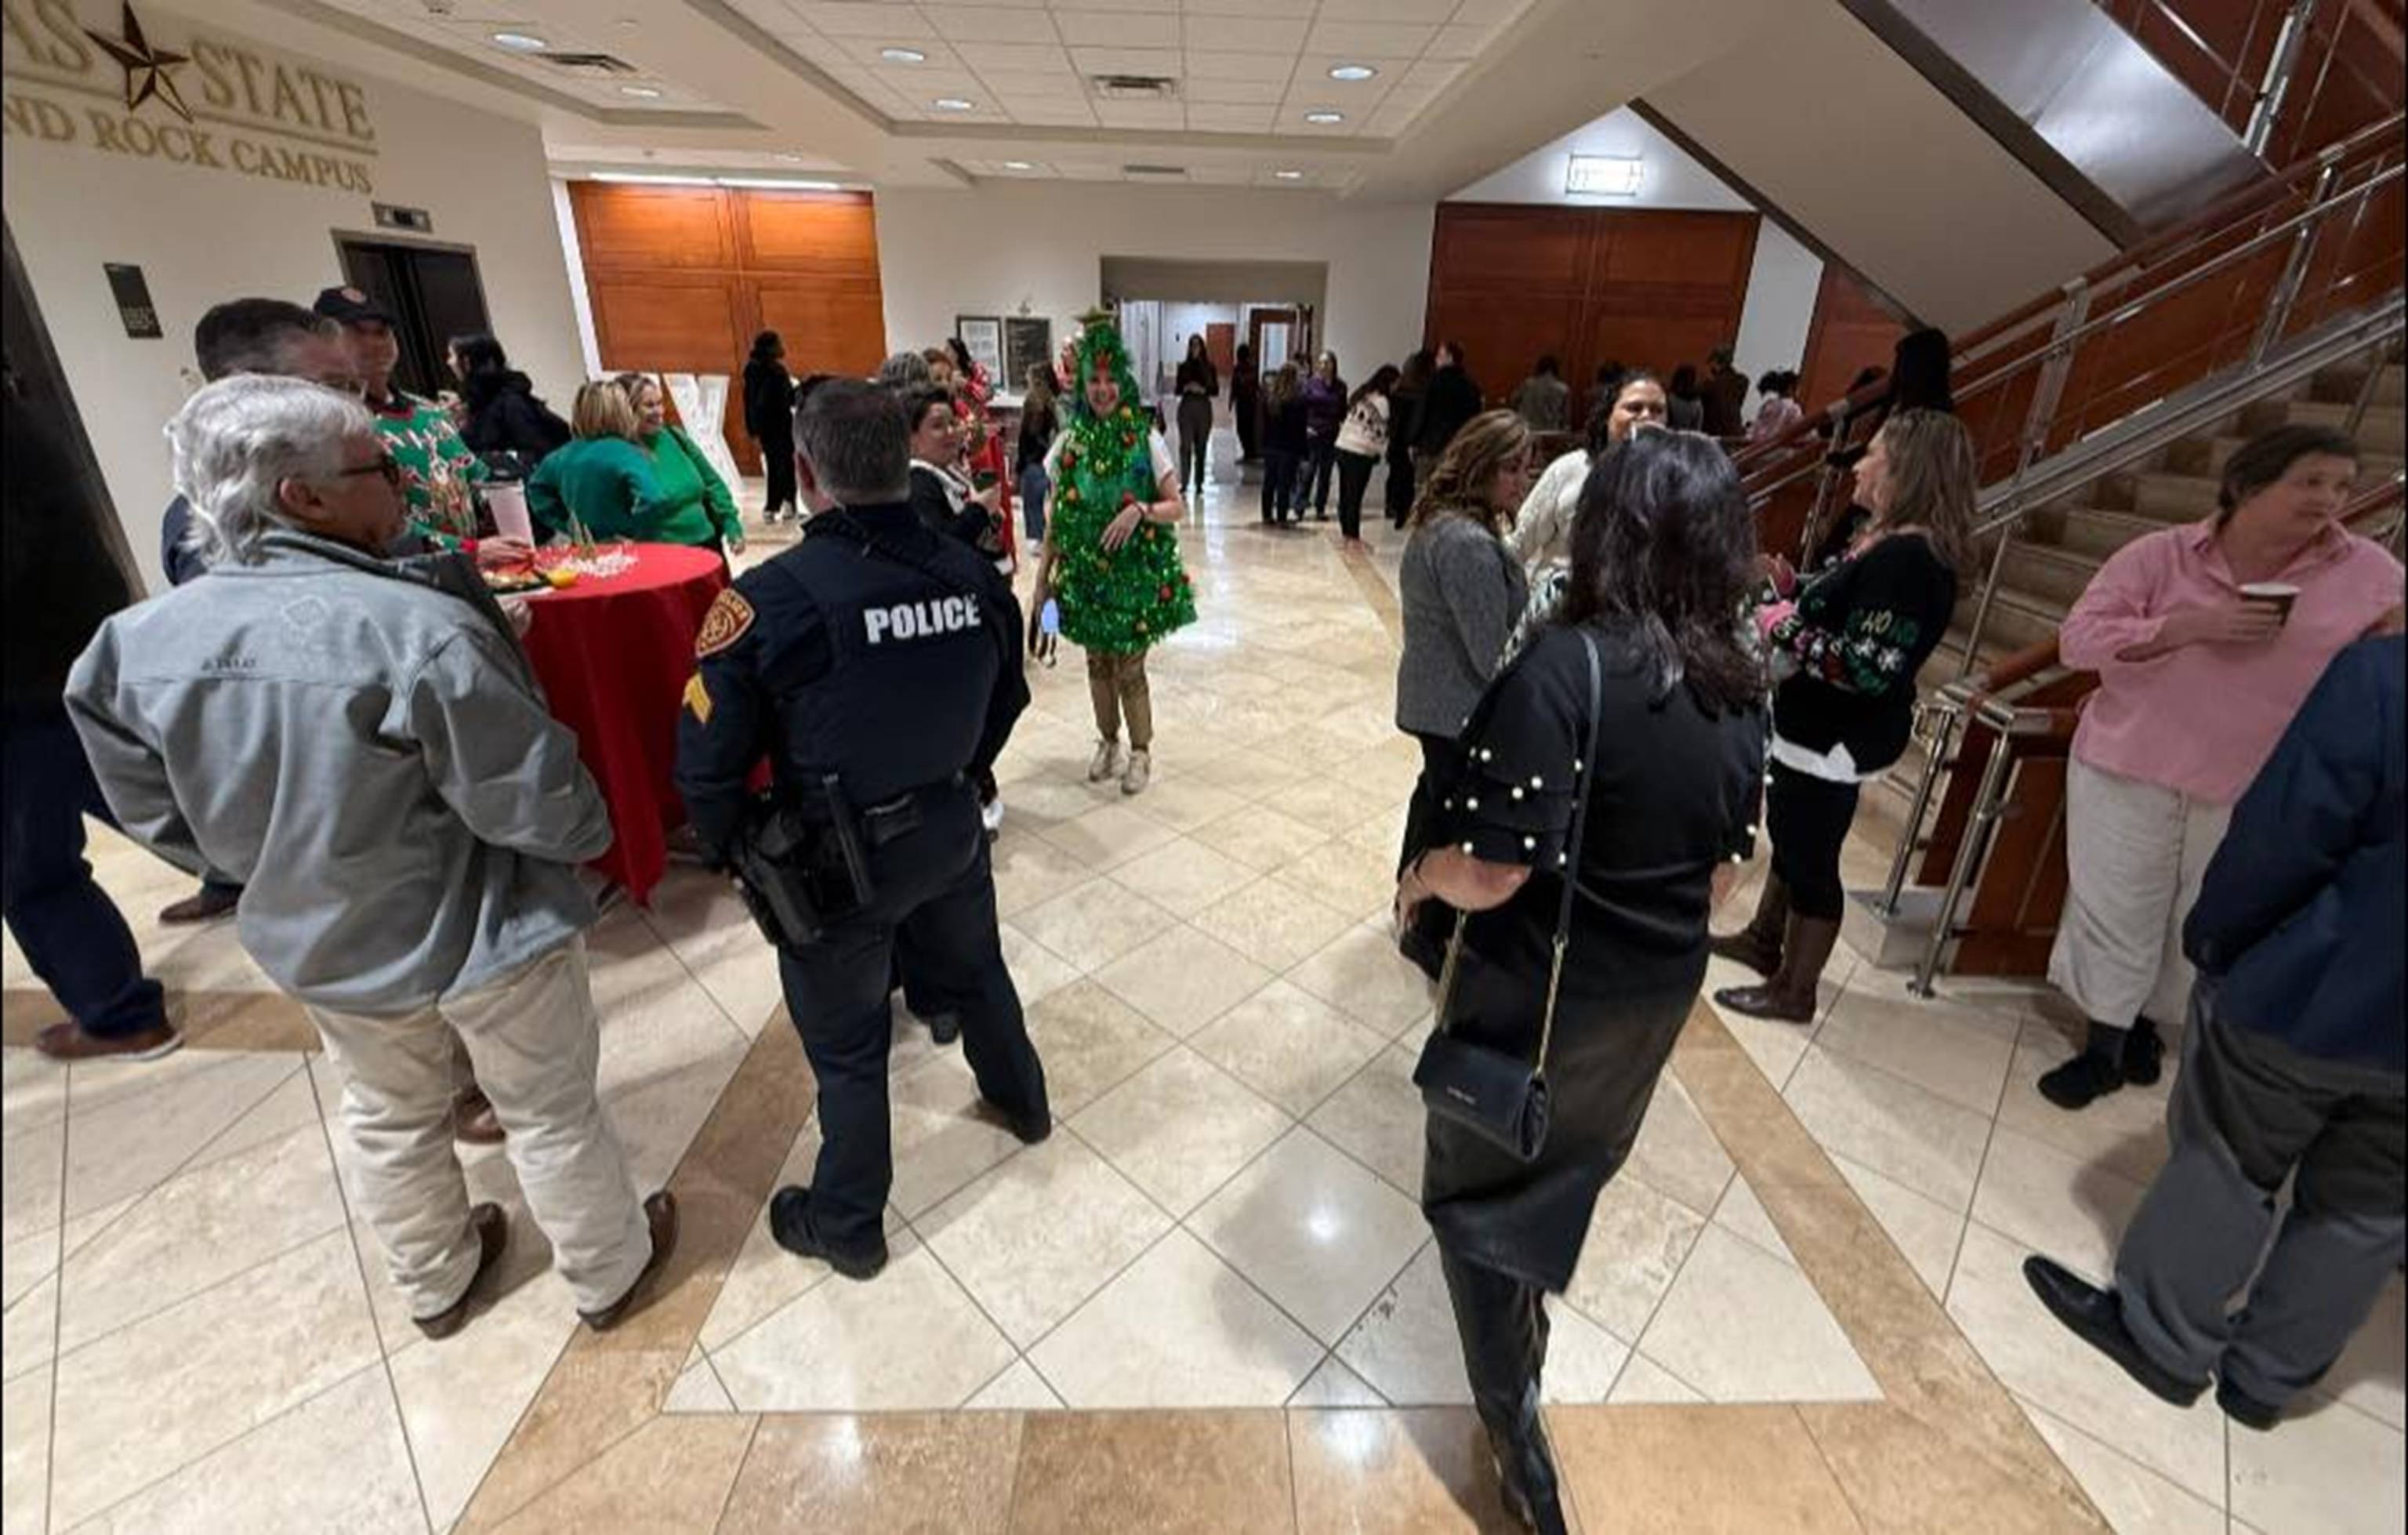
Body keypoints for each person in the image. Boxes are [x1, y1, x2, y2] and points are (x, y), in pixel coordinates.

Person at [69, 375, 677, 1339]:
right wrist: (588, 833)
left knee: (388, 1115)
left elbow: (149, 806)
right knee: (549, 1109)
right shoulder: (416, 626)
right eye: (380, 467)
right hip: (487, 929)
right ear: (299, 496)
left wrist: (261, 856)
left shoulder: (126, 647)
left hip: (323, 937)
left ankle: (435, 1281)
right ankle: (608, 1268)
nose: (406, 482)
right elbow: (532, 798)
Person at [1395, 430, 1767, 1533]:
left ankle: (1518, 1436)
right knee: (1570, 1162)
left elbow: (1497, 868)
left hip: (1541, 992)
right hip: (1652, 995)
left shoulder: (1567, 668)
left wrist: (1419, 878)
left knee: (1471, 1196)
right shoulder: (1737, 683)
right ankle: (1530, 1342)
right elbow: (1726, 889)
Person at [674, 379, 1047, 1279]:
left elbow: (706, 760)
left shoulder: (769, 599)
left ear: (804, 471)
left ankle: (846, 1218)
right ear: (906, 455)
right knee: (977, 970)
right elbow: (1010, 697)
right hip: (951, 830)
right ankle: (1024, 1101)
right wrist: (960, 771)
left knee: (848, 1051)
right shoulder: (972, 574)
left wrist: (734, 851)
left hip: (831, 867)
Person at [2022, 634, 2403, 1433]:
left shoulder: (2384, 677)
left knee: (2230, 1154)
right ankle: (2266, 1379)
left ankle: (2162, 1337)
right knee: (2369, 1204)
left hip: (2321, 989)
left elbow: (2288, 832)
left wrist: (2218, 936)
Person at [2035, 425, 2405, 1109]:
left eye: (2342, 486)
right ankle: (2103, 1043)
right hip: (2128, 764)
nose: (2328, 499)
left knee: (2197, 919)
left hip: (2252, 784)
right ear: (2247, 485)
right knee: (2114, 907)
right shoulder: (2162, 556)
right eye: (2310, 481)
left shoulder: (2372, 576)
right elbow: (2078, 640)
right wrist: (2184, 626)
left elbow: (2386, 670)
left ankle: (2146, 1025)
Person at [1711, 409, 1977, 1022]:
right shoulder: (1883, 540)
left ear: (1907, 468)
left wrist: (1784, 622)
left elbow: (1866, 667)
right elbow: (1844, 610)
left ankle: (1795, 990)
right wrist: (1791, 588)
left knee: (1811, 857)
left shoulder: (1912, 559)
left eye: (1873, 454)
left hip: (1839, 735)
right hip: (1811, 725)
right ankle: (1764, 941)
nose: (1858, 464)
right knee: (1794, 837)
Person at [154, 298, 361, 927]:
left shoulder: (341, 493)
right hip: (335, 862)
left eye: (350, 387)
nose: (349, 408)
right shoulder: (209, 535)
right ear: (248, 393)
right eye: (327, 388)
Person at [5, 390, 176, 1062]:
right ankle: (254, 883)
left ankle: (120, 1012)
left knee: (30, 870)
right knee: (151, 796)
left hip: (18, 679)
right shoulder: (18, 411)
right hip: (80, 651)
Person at [1394, 411, 1536, 975]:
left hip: (1441, 701)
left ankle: (1412, 906)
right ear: (1480, 467)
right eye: (1511, 468)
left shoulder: (1452, 525)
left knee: (1435, 798)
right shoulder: (1466, 543)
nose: (1521, 481)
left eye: (1526, 468)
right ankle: (1425, 925)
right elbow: (1490, 652)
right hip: (1455, 707)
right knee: (1451, 815)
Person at [1032, 314, 1197, 796]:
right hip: (1083, 575)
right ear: (1083, 386)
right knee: (1096, 663)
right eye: (1094, 381)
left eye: (1110, 380)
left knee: (1129, 667)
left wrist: (1140, 510)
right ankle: (1108, 741)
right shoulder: (1069, 442)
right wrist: (1042, 586)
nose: (1102, 389)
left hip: (1134, 579)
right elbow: (1055, 514)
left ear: (1122, 384)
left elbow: (1178, 507)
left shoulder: (1146, 439)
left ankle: (1141, 751)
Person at [314, 285, 487, 546]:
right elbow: (367, 518)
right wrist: (466, 549)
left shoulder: (430, 412)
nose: (374, 344)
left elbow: (475, 476)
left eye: (382, 332)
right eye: (356, 333)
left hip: (472, 567)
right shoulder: (333, 426)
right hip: (403, 571)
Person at [1507, 370, 1667, 575]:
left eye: (1657, 410)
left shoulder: (1672, 482)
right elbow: (1520, 544)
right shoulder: (1571, 468)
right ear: (1608, 415)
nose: (1647, 417)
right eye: (1634, 408)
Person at [616, 372, 746, 560]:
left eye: (660, 403)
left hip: (708, 545)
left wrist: (731, 523)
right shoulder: (620, 454)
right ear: (628, 409)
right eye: (649, 405)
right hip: (663, 558)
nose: (659, 411)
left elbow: (713, 482)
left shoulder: (675, 437)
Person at [524, 381, 666, 543]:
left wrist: (568, 525)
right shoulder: (625, 453)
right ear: (621, 412)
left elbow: (536, 489)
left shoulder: (561, 456)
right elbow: (653, 500)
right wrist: (641, 537)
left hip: (584, 549)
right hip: (624, 550)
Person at [449, 332, 570, 477]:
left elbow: (536, 452)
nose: (449, 362)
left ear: (467, 362)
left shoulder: (510, 402)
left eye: (452, 356)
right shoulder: (480, 402)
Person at [905, 386, 1003, 555]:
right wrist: (980, 509)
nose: (950, 431)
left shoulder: (948, 468)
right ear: (912, 438)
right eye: (937, 426)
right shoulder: (919, 484)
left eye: (952, 423)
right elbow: (941, 546)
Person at [1333, 364, 1399, 549]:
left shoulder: (1361, 395)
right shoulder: (1383, 402)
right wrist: (1381, 453)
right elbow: (1380, 433)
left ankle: (1346, 533)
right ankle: (1353, 537)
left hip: (1343, 445)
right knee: (1355, 495)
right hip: (1360, 452)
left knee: (1345, 494)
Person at [743, 330, 800, 524]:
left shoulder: (751, 369)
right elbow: (787, 398)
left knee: (774, 465)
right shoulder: (776, 371)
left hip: (764, 427)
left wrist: (753, 426)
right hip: (781, 425)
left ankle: (772, 507)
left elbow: (749, 400)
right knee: (786, 465)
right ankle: (789, 504)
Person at [1413, 341, 1484, 492]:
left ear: (1450, 358)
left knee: (1423, 489)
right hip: (1457, 447)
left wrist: (1413, 439)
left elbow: (1421, 414)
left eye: (1440, 356)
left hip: (1430, 445)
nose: (1436, 360)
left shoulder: (1432, 382)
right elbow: (1475, 420)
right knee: (1448, 490)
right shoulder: (1471, 386)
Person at [1387, 348, 1434, 528]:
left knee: (1397, 477)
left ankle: (1393, 508)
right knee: (1409, 481)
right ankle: (1404, 513)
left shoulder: (1399, 391)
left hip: (1396, 440)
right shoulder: (1422, 393)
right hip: (1411, 442)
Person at [1301, 350, 1347, 521]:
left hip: (1331, 433)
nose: (1323, 366)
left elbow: (1343, 411)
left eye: (1327, 362)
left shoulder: (1340, 386)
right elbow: (1303, 407)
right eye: (1320, 362)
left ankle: (1320, 508)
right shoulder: (1311, 384)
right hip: (1313, 432)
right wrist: (1305, 426)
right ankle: (1301, 504)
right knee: (1309, 471)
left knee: (1325, 473)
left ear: (1334, 365)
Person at [1017, 363, 1060, 548]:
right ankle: (1045, 535)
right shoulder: (1054, 402)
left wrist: (1019, 464)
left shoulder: (1033, 402)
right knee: (1046, 500)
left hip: (1033, 459)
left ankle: (1036, 537)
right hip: (1048, 458)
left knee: (1032, 501)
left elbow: (1025, 436)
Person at [1261, 361, 1308, 525]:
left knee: (1270, 481)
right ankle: (1281, 517)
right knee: (1284, 484)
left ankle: (1266, 515)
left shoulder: (1272, 398)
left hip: (1271, 446)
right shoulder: (1298, 400)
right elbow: (1300, 428)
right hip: (1289, 448)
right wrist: (1304, 451)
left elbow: (1265, 424)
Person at [1173, 335, 1218, 497]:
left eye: (1198, 346)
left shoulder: (1209, 367)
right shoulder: (1184, 367)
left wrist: (1203, 390)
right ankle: (1184, 483)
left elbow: (1215, 390)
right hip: (1187, 407)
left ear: (1202, 348)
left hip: (1203, 407)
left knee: (1201, 447)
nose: (1195, 349)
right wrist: (1186, 387)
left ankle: (1199, 483)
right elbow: (1176, 390)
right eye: (1192, 346)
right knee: (1185, 446)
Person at [1508, 354, 1569, 433]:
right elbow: (1566, 418)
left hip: (1527, 430)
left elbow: (1513, 400)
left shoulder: (1528, 384)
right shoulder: (1563, 389)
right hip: (1551, 431)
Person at [1702, 344, 1750, 437]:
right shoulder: (1741, 382)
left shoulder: (1711, 386)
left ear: (1716, 362)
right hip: (1735, 434)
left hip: (1715, 436)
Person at [1748, 368, 1805, 444]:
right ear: (1790, 388)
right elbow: (1801, 432)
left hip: (1757, 449)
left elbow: (1755, 430)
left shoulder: (1768, 405)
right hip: (1777, 451)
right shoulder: (1793, 409)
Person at [1232, 341, 1262, 463]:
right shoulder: (1239, 368)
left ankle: (1250, 454)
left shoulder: (1249, 368)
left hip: (1248, 402)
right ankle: (1249, 453)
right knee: (1243, 428)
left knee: (1245, 428)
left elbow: (1249, 384)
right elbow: (1234, 385)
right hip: (1244, 402)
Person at [1665, 365, 1705, 432]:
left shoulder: (1670, 398)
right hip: (1689, 437)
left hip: (1671, 437)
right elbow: (1697, 427)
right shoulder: (1697, 402)